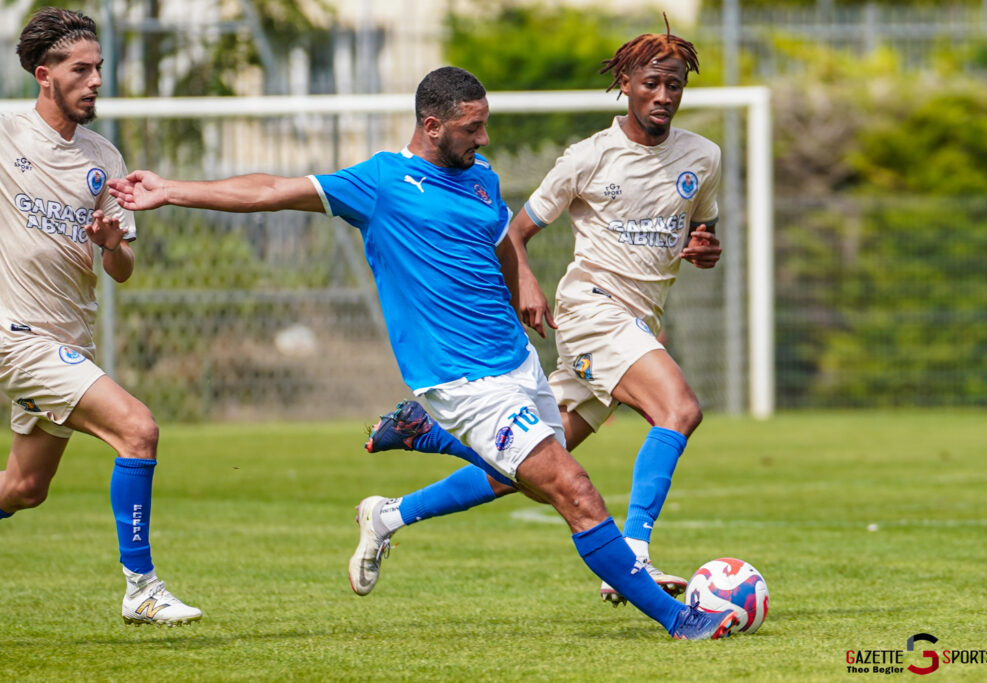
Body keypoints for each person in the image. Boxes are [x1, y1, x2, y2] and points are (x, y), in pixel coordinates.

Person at [108, 65, 737, 641]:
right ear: (432, 126)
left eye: (485, 125)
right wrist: (172, 190)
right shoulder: (382, 183)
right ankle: (681, 622)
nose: (483, 139)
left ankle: (418, 445)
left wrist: (524, 281)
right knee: (575, 490)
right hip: (461, 380)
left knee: (526, 480)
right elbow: (270, 189)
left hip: (516, 361)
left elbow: (503, 241)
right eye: (472, 128)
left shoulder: (482, 179)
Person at [353, 20, 724, 608]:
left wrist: (705, 246)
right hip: (592, 310)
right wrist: (524, 281)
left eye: (674, 85)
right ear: (626, 85)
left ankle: (392, 510)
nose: (663, 96)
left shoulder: (703, 157)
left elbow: (703, 227)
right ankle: (636, 552)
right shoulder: (588, 157)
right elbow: (515, 231)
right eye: (651, 83)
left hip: (639, 321)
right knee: (678, 410)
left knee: (530, 467)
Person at [0, 7, 201, 626]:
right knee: (138, 429)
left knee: (24, 490)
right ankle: (141, 587)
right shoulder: (5, 134)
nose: (95, 81)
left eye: (99, 68)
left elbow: (122, 271)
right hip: (17, 337)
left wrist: (112, 244)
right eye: (80, 70)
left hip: (70, 340)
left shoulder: (104, 158)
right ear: (44, 75)